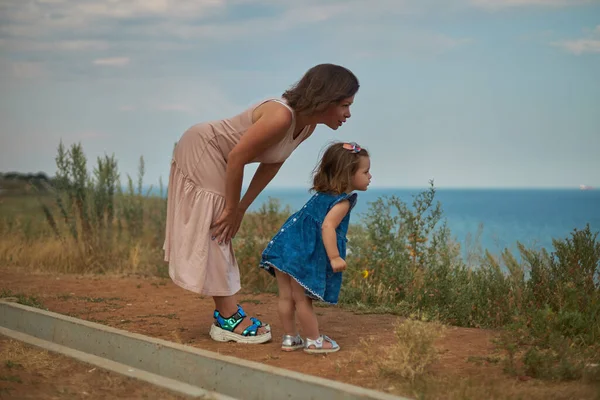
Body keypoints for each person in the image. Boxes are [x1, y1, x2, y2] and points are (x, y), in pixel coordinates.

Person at [163, 64, 359, 344]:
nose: (348, 114)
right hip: (204, 147)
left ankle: (226, 315)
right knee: (218, 225)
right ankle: (228, 318)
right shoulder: (280, 116)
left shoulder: (307, 127)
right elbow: (237, 157)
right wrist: (231, 209)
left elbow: (272, 163)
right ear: (325, 98)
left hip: (225, 158)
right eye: (344, 105)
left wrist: (241, 208)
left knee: (220, 226)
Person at [259, 141, 371, 353]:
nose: (370, 176)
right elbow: (328, 226)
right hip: (301, 253)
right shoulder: (342, 202)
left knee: (285, 296)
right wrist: (335, 257)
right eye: (365, 171)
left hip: (284, 247)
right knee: (301, 299)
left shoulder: (321, 195)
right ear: (348, 174)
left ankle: (290, 338)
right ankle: (314, 340)